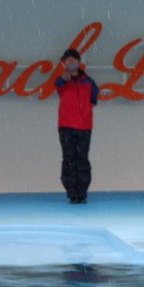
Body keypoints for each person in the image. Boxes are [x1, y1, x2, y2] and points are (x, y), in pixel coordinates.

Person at [54, 48, 99, 204]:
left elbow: (94, 98)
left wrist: (84, 112)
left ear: (79, 62)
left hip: (84, 126)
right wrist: (65, 77)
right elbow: (58, 86)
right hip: (66, 125)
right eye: (68, 60)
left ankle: (82, 192)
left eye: (74, 59)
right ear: (63, 63)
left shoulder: (88, 81)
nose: (71, 62)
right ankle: (72, 193)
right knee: (69, 158)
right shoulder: (61, 81)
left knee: (82, 159)